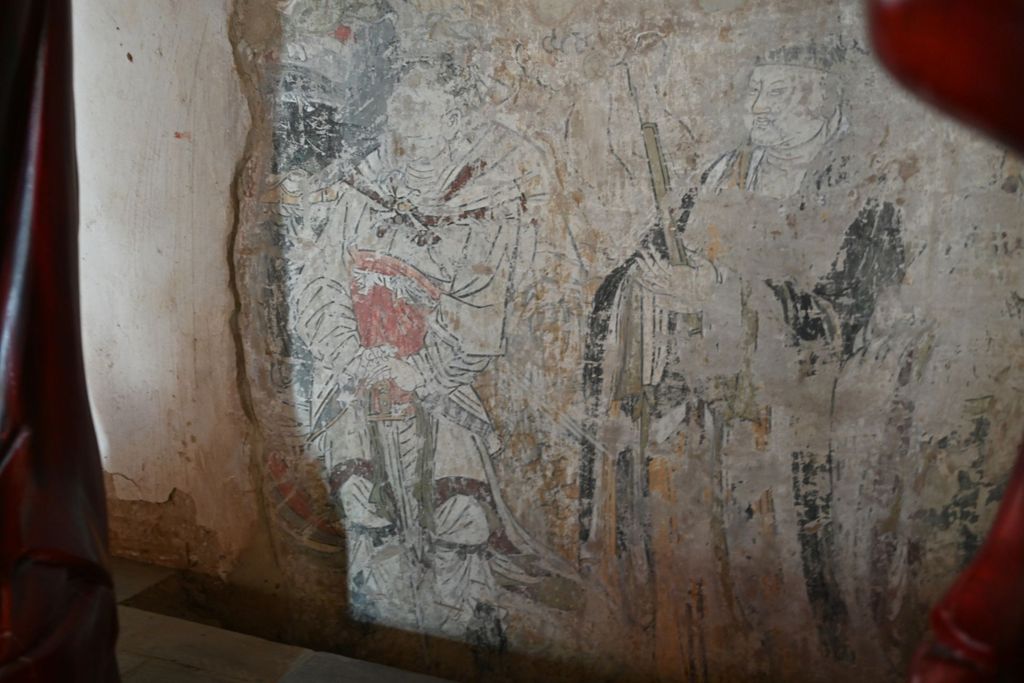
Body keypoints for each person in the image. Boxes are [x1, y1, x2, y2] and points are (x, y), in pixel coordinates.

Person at [579, 45, 909, 677]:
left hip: (787, 439)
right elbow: (646, 263)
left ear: (824, 99)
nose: (757, 108)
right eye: (755, 92)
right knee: (689, 579)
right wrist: (649, 291)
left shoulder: (863, 193)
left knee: (774, 599)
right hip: (692, 427)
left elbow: (848, 323)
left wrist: (721, 293)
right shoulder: (720, 175)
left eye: (777, 94)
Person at [285, 59, 571, 645]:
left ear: (456, 119)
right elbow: (319, 284)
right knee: (361, 502)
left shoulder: (484, 201)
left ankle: (462, 630)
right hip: (358, 384)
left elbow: (484, 307)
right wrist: (353, 356)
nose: (409, 123)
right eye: (402, 108)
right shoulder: (361, 188)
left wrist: (420, 368)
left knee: (457, 514)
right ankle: (383, 631)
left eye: (425, 110)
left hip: (440, 389)